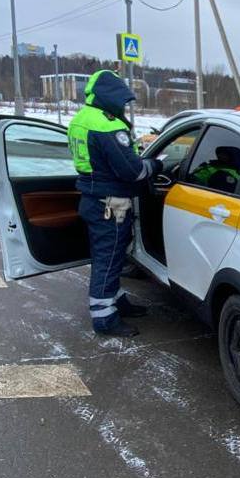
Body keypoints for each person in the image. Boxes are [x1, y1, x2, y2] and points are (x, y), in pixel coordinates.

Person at [67, 69, 162, 337]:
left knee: (113, 253)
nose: (123, 105)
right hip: (111, 201)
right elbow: (132, 171)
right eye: (121, 100)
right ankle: (105, 319)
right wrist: (156, 164)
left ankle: (116, 300)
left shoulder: (81, 119)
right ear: (108, 97)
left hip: (95, 196)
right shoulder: (107, 125)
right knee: (108, 257)